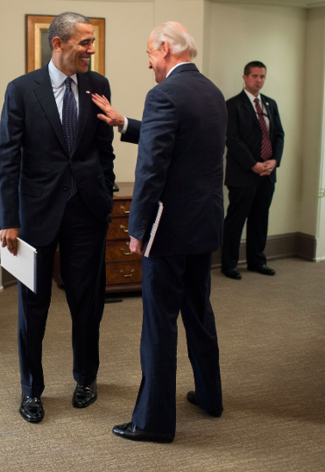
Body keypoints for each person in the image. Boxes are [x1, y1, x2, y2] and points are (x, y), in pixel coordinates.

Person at [92, 22, 225, 443]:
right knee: (199, 313)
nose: (149, 61)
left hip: (167, 232)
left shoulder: (164, 94)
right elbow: (179, 142)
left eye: (150, 52)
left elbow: (152, 170)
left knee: (159, 325)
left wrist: (137, 227)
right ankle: (210, 396)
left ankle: (153, 422)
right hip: (204, 224)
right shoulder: (213, 92)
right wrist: (124, 122)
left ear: (165, 49)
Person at [0, 12, 115, 424]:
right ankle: (31, 390)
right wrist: (7, 218)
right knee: (34, 304)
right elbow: (7, 158)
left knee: (87, 301)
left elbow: (104, 148)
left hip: (87, 212)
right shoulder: (21, 90)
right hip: (35, 214)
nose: (91, 50)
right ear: (58, 44)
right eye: (84, 42)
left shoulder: (97, 85)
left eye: (93, 42)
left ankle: (86, 378)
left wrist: (105, 193)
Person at [221, 62, 285, 280]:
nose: (259, 80)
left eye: (262, 76)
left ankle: (257, 261)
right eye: (255, 76)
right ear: (245, 77)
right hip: (243, 174)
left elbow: (279, 135)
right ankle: (228, 264)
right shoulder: (233, 105)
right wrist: (253, 164)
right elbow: (233, 139)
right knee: (236, 220)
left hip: (267, 174)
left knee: (260, 219)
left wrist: (274, 160)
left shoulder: (270, 104)